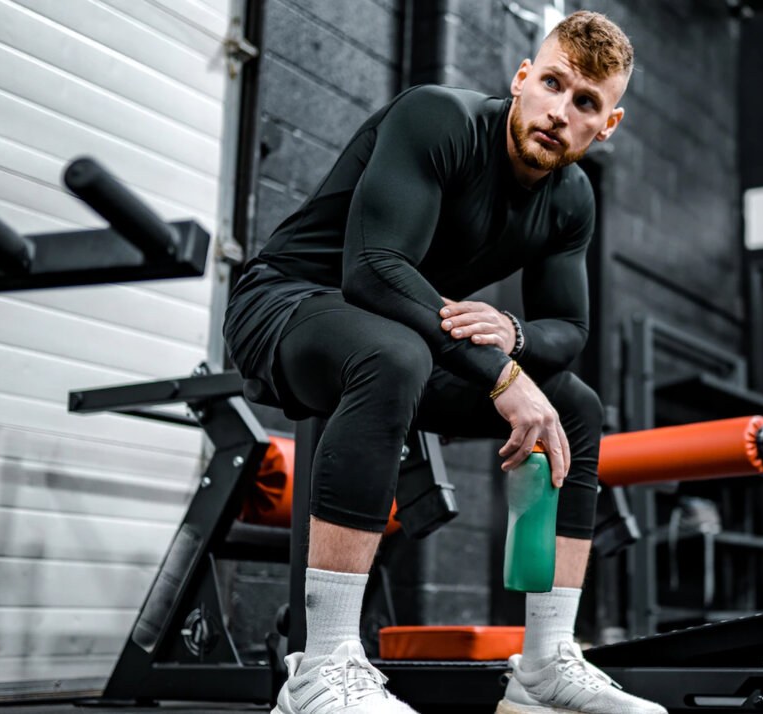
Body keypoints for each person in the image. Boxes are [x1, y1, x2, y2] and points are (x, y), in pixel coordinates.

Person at [224, 10, 663, 714]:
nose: (559, 111)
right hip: (289, 304)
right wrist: (500, 374)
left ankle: (547, 664)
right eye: (551, 83)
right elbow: (370, 270)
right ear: (522, 80)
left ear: (605, 126)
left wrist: (513, 337)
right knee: (392, 353)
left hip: (405, 337)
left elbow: (569, 328)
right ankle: (321, 670)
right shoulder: (440, 120)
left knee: (575, 405)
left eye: (585, 102)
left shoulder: (570, 199)